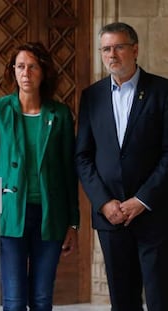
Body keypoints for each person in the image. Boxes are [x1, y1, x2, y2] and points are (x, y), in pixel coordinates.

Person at [75, 22, 168, 311]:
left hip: (154, 215)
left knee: (160, 298)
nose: (111, 54)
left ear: (135, 49)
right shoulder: (92, 96)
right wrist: (104, 203)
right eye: (105, 49)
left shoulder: (162, 91)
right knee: (122, 301)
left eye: (118, 47)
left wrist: (141, 200)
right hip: (111, 217)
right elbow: (83, 156)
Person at [0, 42, 79, 311]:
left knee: (41, 299)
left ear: (43, 72)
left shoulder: (59, 114)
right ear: (13, 72)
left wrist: (73, 224)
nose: (26, 72)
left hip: (50, 217)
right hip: (9, 215)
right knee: (13, 301)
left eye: (33, 66)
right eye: (20, 66)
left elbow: (68, 171)